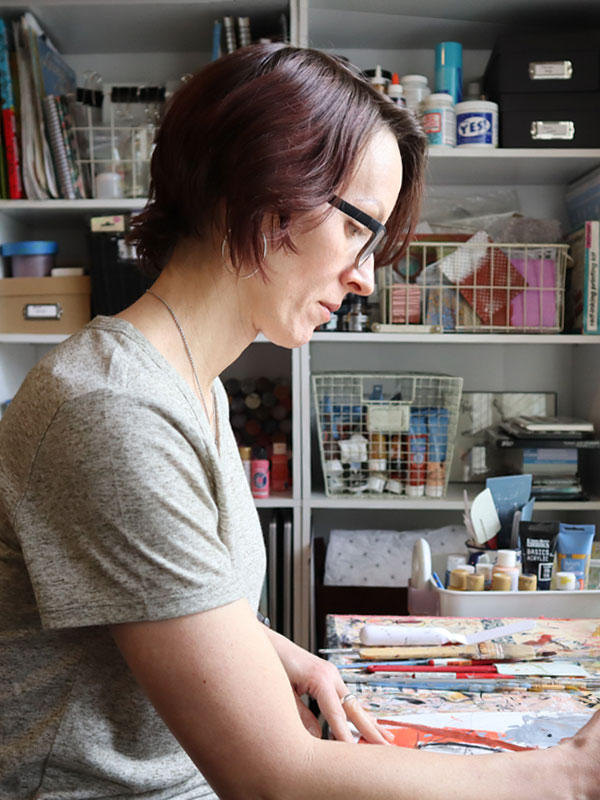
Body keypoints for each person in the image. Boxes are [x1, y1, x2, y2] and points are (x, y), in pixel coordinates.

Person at [1, 42, 599, 800]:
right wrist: (570, 777)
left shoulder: (191, 383)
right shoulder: (113, 411)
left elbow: (158, 595)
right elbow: (272, 778)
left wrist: (277, 651)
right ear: (262, 188)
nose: (364, 278)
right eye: (357, 229)